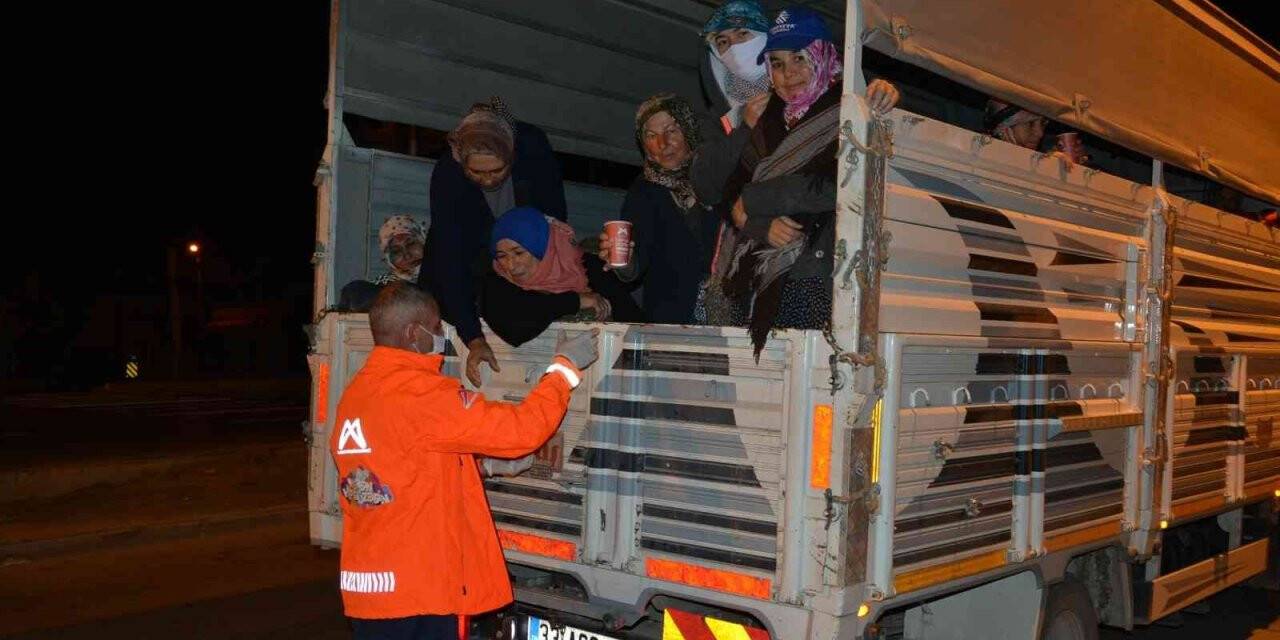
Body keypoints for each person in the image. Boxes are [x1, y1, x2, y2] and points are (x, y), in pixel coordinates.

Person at [330, 281, 599, 640]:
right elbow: (523, 430)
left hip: (371, 589)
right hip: (421, 592)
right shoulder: (423, 394)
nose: (442, 334)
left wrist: (479, 466)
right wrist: (564, 368)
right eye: (438, 326)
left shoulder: (357, 393)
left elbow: (394, 467)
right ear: (414, 333)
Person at [695, 6, 893, 355]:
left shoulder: (849, 109)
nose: (790, 74)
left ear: (823, 56)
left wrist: (754, 202)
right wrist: (761, 226)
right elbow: (728, 198)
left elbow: (841, 185)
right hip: (760, 286)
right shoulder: (769, 117)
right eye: (777, 63)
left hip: (820, 279)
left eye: (800, 58)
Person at [423, 97, 568, 386]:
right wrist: (473, 338)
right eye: (476, 172)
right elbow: (451, 259)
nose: (488, 181)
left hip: (526, 258)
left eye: (497, 171)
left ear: (512, 156)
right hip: (475, 265)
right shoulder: (448, 175)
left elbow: (554, 222)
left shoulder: (533, 149)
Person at [596, 94, 723, 324]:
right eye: (651, 136)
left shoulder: (717, 178)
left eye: (671, 131)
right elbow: (634, 266)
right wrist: (623, 262)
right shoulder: (644, 192)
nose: (662, 144)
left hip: (727, 317)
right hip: (671, 321)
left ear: (689, 131)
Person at [483, 207, 641, 346]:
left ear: (544, 247)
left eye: (519, 253)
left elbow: (635, 324)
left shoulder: (588, 269)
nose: (510, 265)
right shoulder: (497, 280)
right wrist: (577, 300)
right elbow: (514, 328)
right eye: (502, 256)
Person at [338, 215, 428, 312]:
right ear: (389, 259)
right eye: (396, 251)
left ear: (423, 241)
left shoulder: (441, 278)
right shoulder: (380, 290)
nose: (407, 255)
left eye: (411, 244)